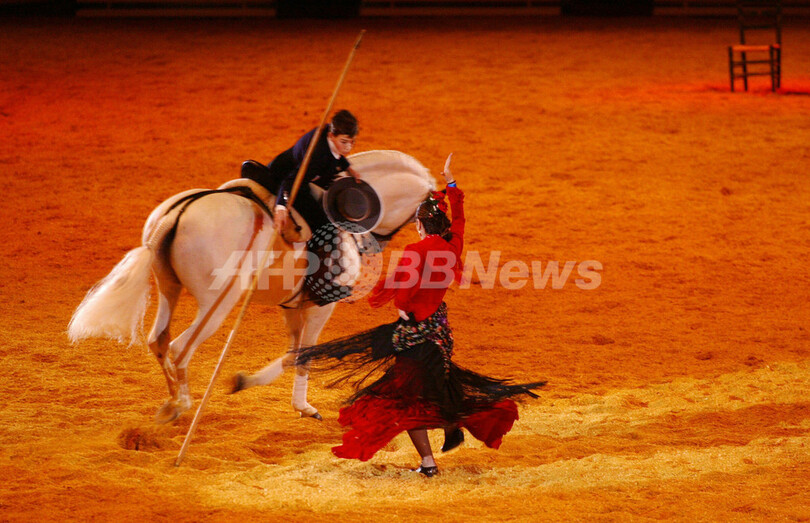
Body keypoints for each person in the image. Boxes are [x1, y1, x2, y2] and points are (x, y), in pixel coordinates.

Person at [296, 154, 546, 477]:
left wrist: (401, 312)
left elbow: (403, 297)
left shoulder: (415, 252)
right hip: (440, 333)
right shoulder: (452, 247)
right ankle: (452, 425)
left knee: (406, 404)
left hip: (416, 336)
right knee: (431, 391)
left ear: (420, 225)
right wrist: (451, 184)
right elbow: (460, 220)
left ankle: (430, 461)